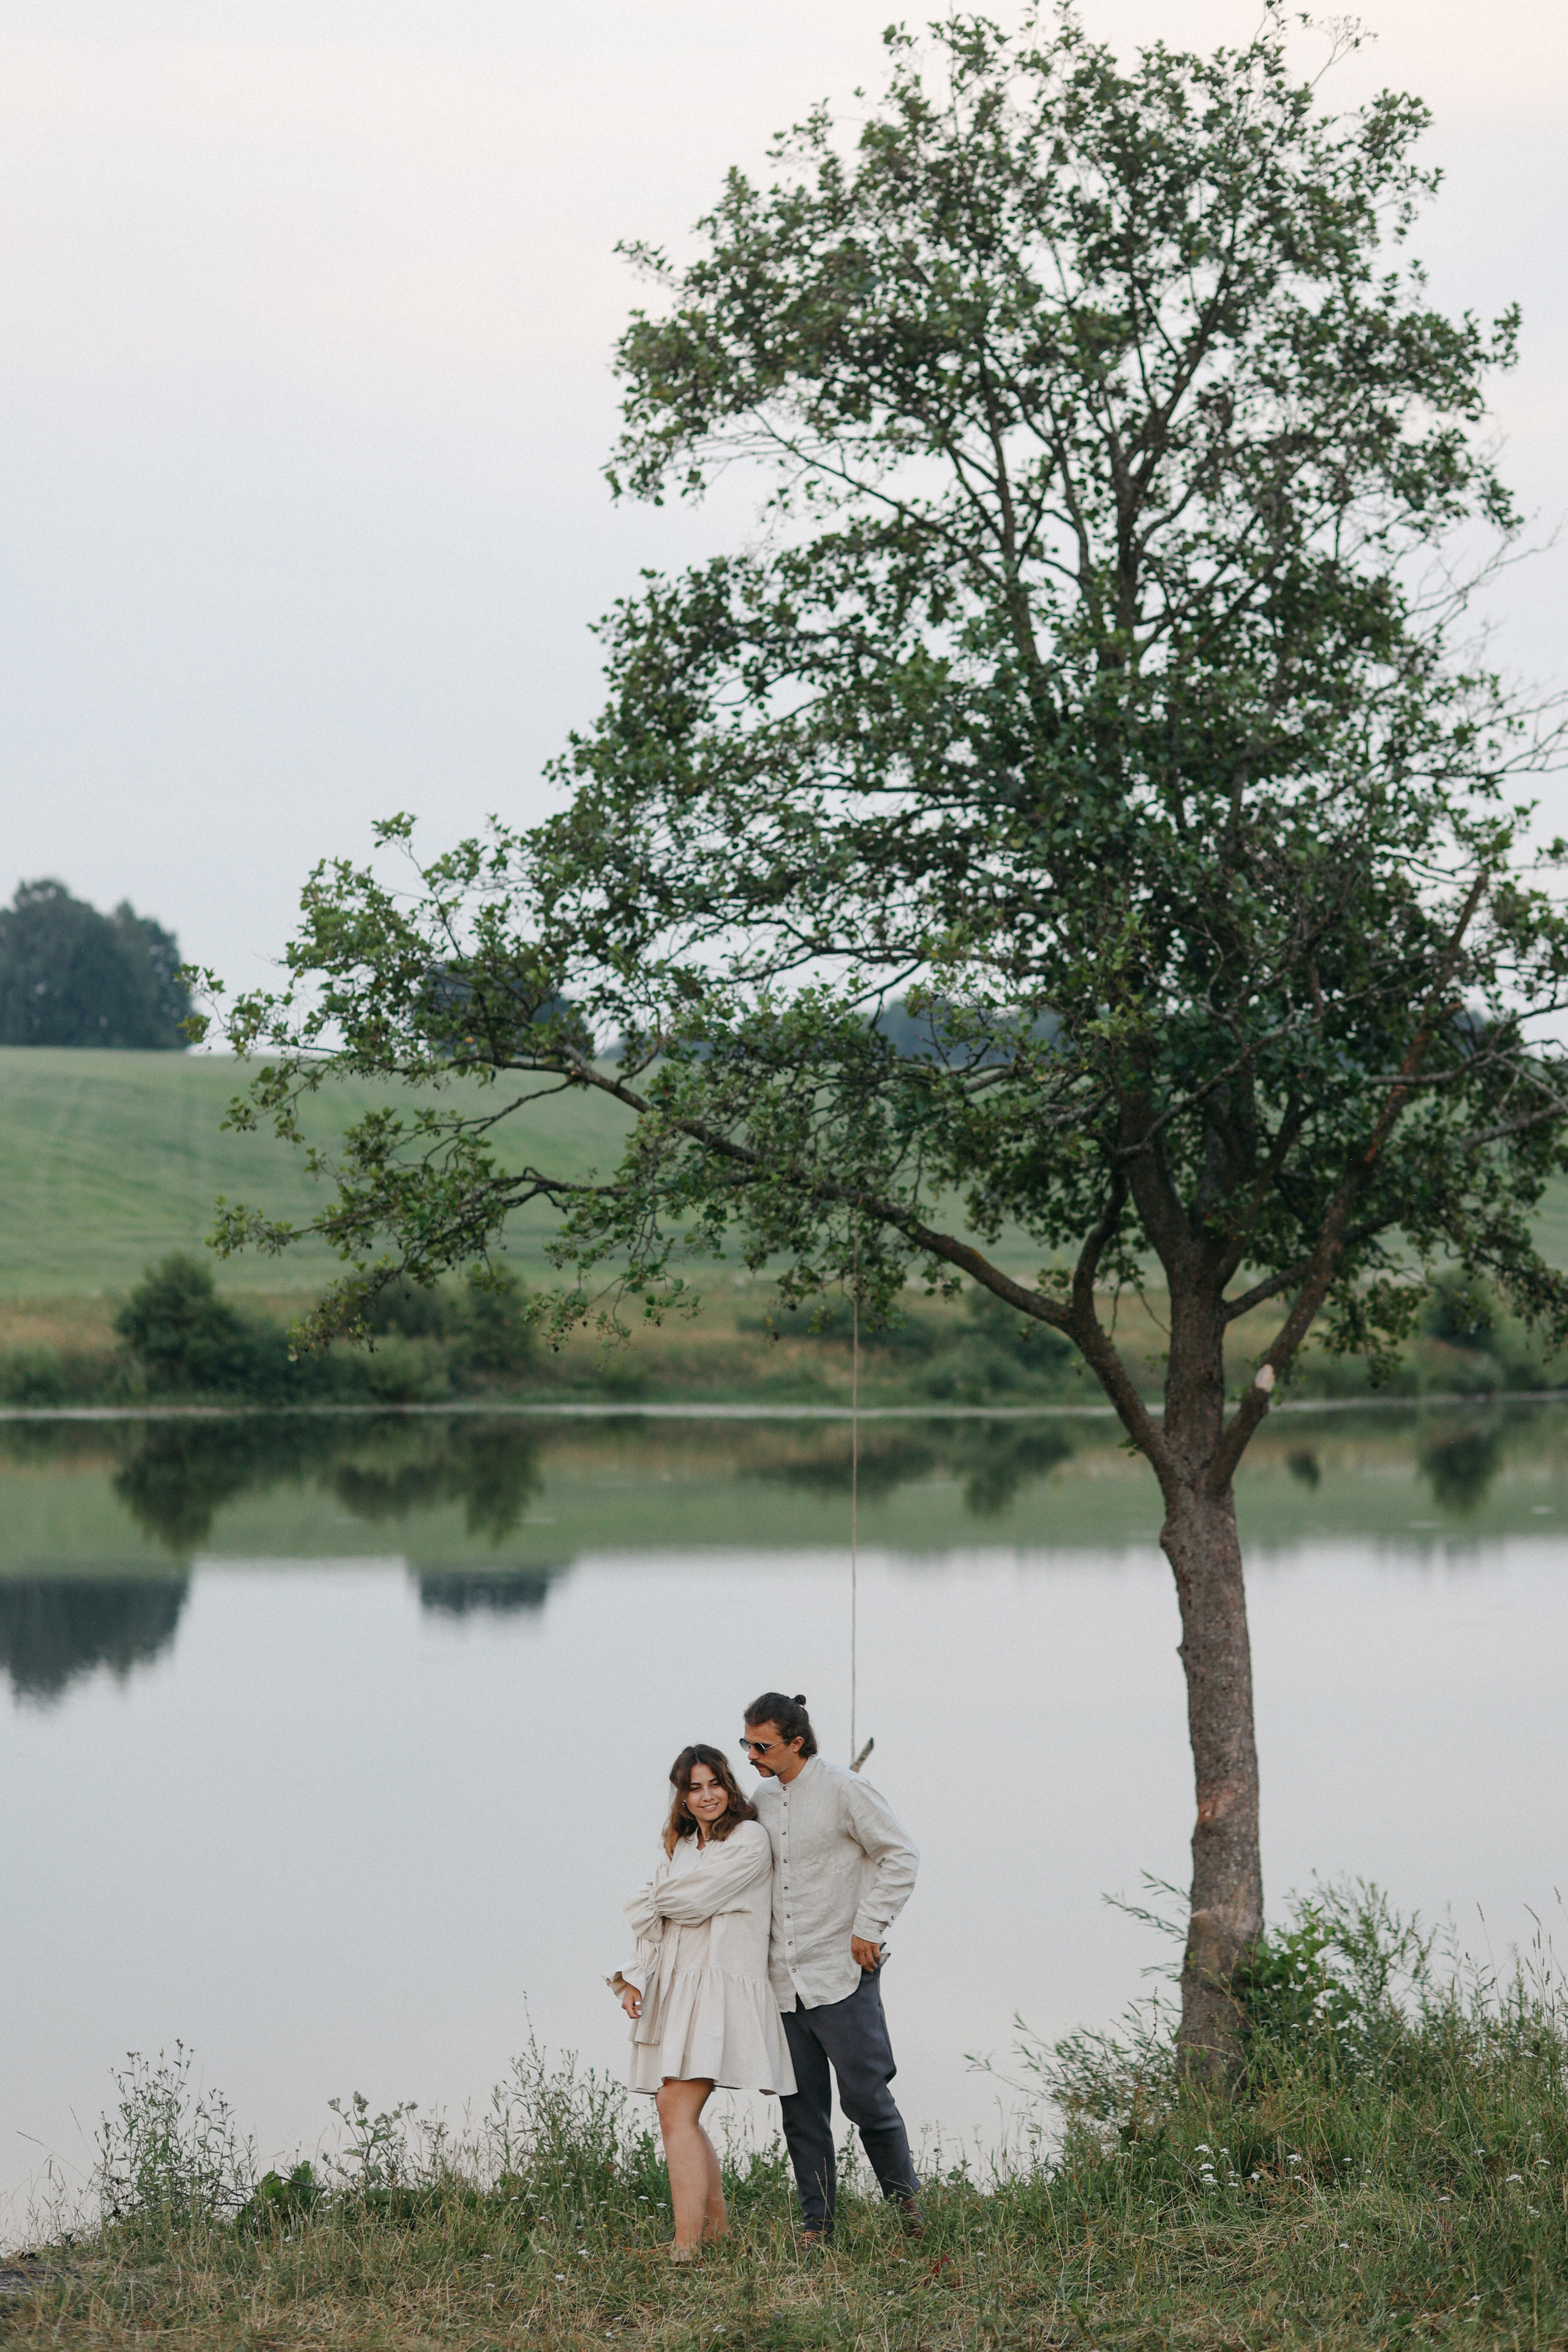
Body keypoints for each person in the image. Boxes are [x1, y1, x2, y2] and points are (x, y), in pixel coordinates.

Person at [742, 1691, 922, 2243]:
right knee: (801, 2112)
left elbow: (900, 1855)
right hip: (782, 1982)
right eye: (746, 1743)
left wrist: (870, 1925)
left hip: (842, 1973)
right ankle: (816, 2227)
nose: (750, 1755)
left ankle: (909, 2217)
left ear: (796, 1743)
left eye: (762, 1746)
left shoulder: (846, 1788)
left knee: (867, 2099)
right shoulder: (761, 1799)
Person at [616, 1743, 796, 2260]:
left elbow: (690, 1903)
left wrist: (652, 1900)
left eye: (714, 1783)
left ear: (729, 1785)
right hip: (676, 1985)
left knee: (675, 2106)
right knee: (675, 2109)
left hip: (721, 1986)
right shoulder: (678, 1847)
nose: (706, 1795)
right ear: (682, 1795)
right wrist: (633, 1977)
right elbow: (654, 1923)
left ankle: (686, 2245)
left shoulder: (749, 1838)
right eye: (694, 1788)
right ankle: (713, 2235)